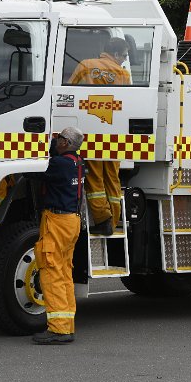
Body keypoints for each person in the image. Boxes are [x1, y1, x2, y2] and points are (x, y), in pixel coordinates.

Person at [28, 127, 85, 345]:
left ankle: (59, 330)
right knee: (64, 273)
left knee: (51, 272)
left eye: (58, 138)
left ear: (65, 143)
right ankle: (66, 325)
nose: (54, 141)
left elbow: (33, 172)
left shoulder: (59, 164)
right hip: (72, 221)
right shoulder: (78, 161)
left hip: (58, 222)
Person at [68, 38, 131, 236]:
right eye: (124, 56)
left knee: (95, 179)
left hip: (92, 131)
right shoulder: (124, 74)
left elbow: (69, 91)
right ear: (117, 54)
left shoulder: (86, 66)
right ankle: (113, 221)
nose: (124, 60)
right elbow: (128, 102)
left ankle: (102, 218)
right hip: (115, 134)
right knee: (112, 178)